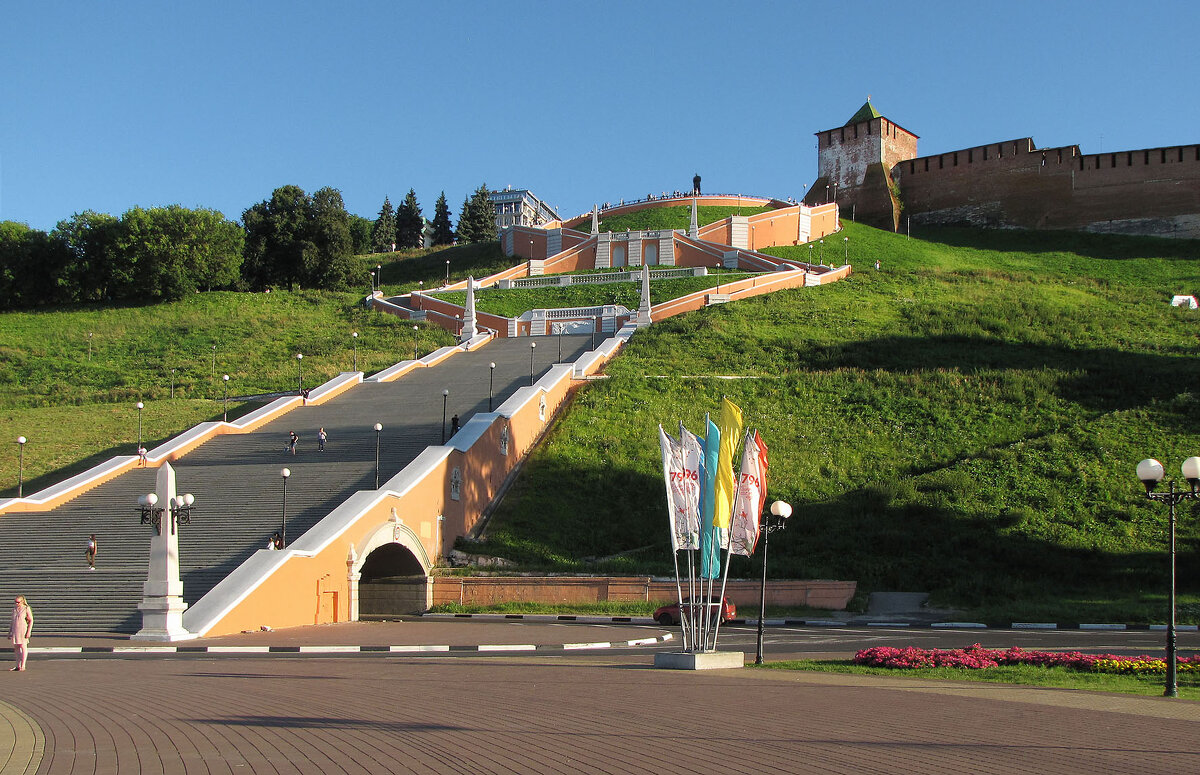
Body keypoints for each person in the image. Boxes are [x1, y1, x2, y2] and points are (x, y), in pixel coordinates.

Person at [9, 596, 32, 671]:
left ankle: (23, 665)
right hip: (15, 629)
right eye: (15, 602)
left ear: (22, 601)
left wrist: (29, 632)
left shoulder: (26, 608)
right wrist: (10, 632)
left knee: (23, 646)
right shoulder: (14, 609)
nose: (16, 603)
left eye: (18, 602)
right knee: (16, 647)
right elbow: (12, 621)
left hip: (23, 629)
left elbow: (31, 620)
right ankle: (17, 665)